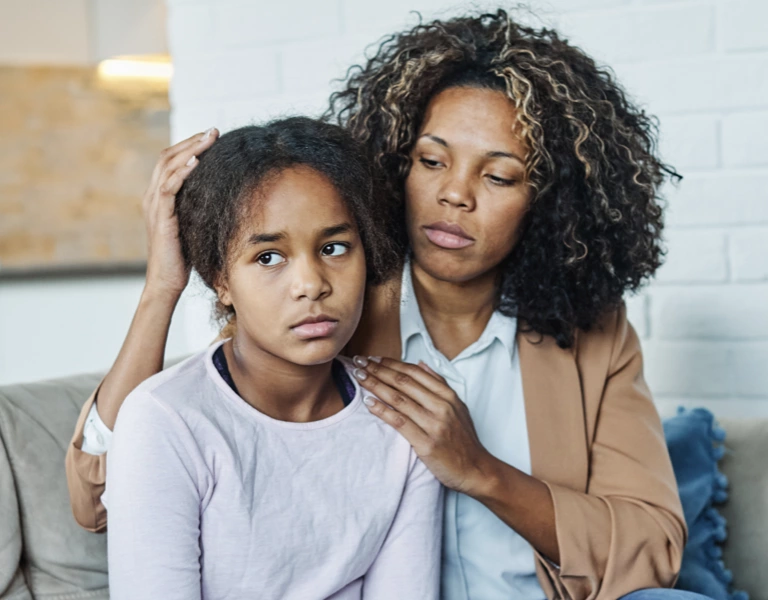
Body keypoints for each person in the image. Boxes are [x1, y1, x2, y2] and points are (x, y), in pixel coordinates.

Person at [66, 10, 710, 600]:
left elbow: (655, 549)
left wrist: (480, 470)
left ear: (550, 197)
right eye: (432, 161)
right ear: (397, 163)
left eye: (498, 175)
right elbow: (100, 501)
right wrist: (162, 289)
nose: (455, 195)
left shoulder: (590, 334)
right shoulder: (329, 310)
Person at [104, 117, 443, 599]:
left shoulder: (401, 417)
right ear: (221, 279)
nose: (312, 284)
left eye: (334, 247)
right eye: (268, 257)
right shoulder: (166, 420)